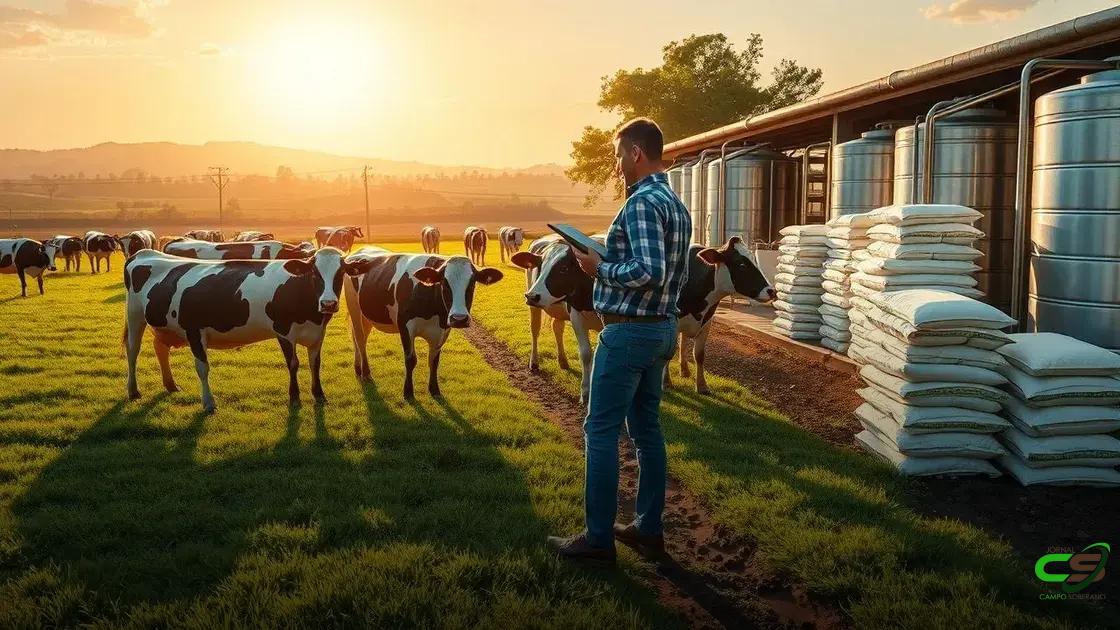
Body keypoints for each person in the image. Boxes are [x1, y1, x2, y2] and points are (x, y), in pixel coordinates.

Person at [547, 117, 692, 565]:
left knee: (600, 431)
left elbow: (648, 269)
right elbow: (669, 272)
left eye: (616, 155)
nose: (615, 165)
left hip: (630, 332)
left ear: (635, 153)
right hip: (662, 328)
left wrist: (598, 269)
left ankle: (597, 539)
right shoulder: (676, 204)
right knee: (647, 431)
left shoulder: (642, 204)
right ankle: (648, 530)